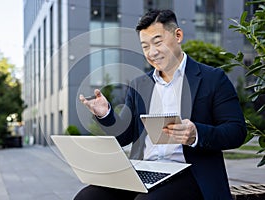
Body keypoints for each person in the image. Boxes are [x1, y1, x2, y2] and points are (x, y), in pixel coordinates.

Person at [77, 9, 247, 200]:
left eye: (158, 42)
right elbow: (124, 136)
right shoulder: (139, 85)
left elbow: (237, 131)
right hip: (144, 171)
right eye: (145, 46)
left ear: (178, 35)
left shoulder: (213, 79)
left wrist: (196, 134)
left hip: (190, 174)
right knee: (87, 197)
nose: (152, 52)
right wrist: (106, 114)